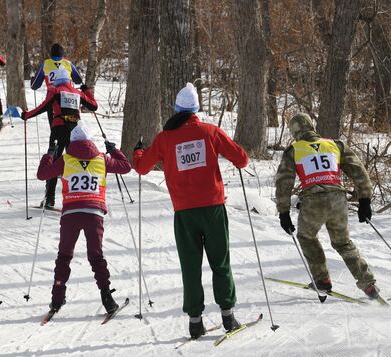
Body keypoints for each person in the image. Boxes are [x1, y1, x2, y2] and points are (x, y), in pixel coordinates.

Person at [133, 83, 249, 339]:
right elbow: (242, 159)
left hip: (185, 213)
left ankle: (195, 322)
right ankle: (228, 317)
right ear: (197, 109)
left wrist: (138, 151)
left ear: (176, 109)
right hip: (213, 208)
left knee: (191, 265)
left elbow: (141, 167)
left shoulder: (165, 138)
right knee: (220, 261)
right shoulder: (210, 131)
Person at [275, 113, 380, 298]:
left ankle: (322, 280)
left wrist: (283, 211)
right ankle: (368, 283)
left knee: (307, 237)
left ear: (294, 132)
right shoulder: (335, 145)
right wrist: (365, 199)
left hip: (313, 202)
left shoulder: (293, 150)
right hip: (338, 199)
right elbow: (358, 170)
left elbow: (284, 183)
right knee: (343, 243)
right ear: (311, 126)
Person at [36, 123, 131, 314]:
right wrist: (115, 151)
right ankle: (107, 299)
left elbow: (42, 174)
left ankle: (57, 299)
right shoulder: (102, 159)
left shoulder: (65, 160)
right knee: (96, 256)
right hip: (94, 213)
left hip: (71, 213)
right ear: (90, 141)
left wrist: (49, 155)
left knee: (64, 256)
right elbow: (126, 167)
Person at [23, 69, 98, 208]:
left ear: (56, 80)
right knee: (77, 162)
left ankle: (49, 198)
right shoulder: (77, 92)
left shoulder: (56, 90)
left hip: (59, 130)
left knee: (53, 163)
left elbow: (44, 107)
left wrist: (27, 115)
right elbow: (94, 106)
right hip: (76, 132)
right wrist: (86, 91)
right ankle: (79, 197)